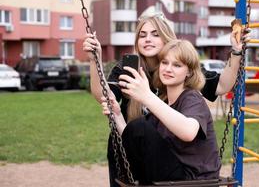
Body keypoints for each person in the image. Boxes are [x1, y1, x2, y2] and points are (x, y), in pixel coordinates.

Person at [83, 13, 249, 186]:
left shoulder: (188, 89)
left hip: (184, 170)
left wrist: (237, 52)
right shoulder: (128, 71)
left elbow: (221, 87)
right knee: (129, 134)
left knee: (139, 128)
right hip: (144, 150)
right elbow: (105, 96)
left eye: (155, 34)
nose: (148, 39)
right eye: (142, 35)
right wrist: (95, 61)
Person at [101, 39, 221, 184]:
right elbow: (133, 137)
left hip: (194, 180)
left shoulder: (192, 98)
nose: (168, 69)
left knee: (140, 127)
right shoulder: (164, 103)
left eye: (177, 65)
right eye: (164, 63)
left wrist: (147, 97)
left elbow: (189, 132)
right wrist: (117, 114)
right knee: (124, 135)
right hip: (173, 175)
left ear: (189, 71)